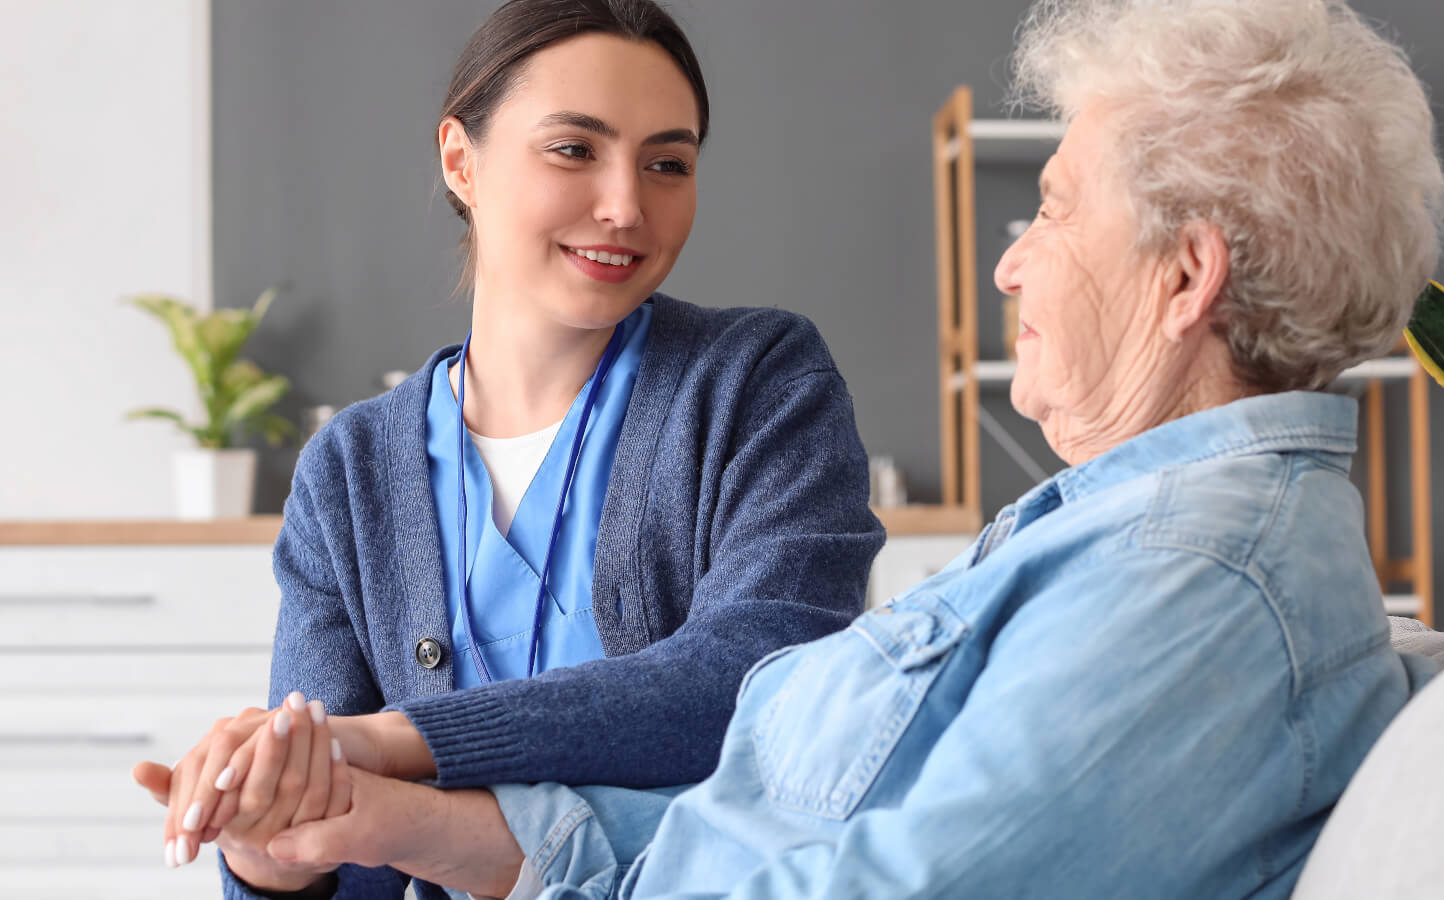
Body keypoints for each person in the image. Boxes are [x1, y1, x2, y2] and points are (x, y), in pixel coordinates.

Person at [129, 2, 883, 898]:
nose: (625, 206)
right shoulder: (350, 474)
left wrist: (392, 740)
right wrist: (265, 845)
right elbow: (349, 862)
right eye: (574, 149)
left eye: (667, 163)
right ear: (461, 160)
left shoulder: (758, 380)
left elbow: (764, 679)